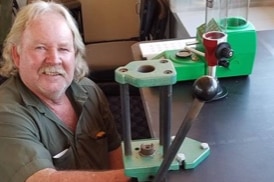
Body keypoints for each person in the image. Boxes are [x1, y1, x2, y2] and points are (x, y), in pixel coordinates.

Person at [0, 1, 130, 181]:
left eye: (63, 49)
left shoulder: (89, 91)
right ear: (16, 55)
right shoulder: (6, 112)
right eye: (40, 48)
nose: (54, 59)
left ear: (74, 54)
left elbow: (113, 151)